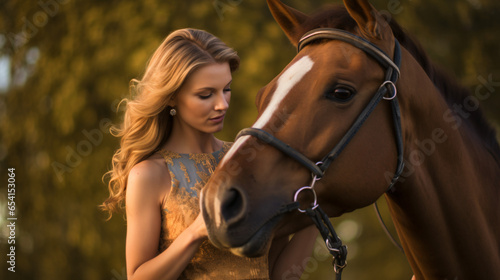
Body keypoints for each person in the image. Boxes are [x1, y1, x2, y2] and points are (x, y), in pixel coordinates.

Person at [101, 28, 318, 280]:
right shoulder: (149, 174)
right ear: (171, 97)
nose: (222, 104)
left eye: (226, 89)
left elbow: (281, 275)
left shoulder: (247, 160)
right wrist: (195, 232)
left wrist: (313, 210)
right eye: (206, 94)